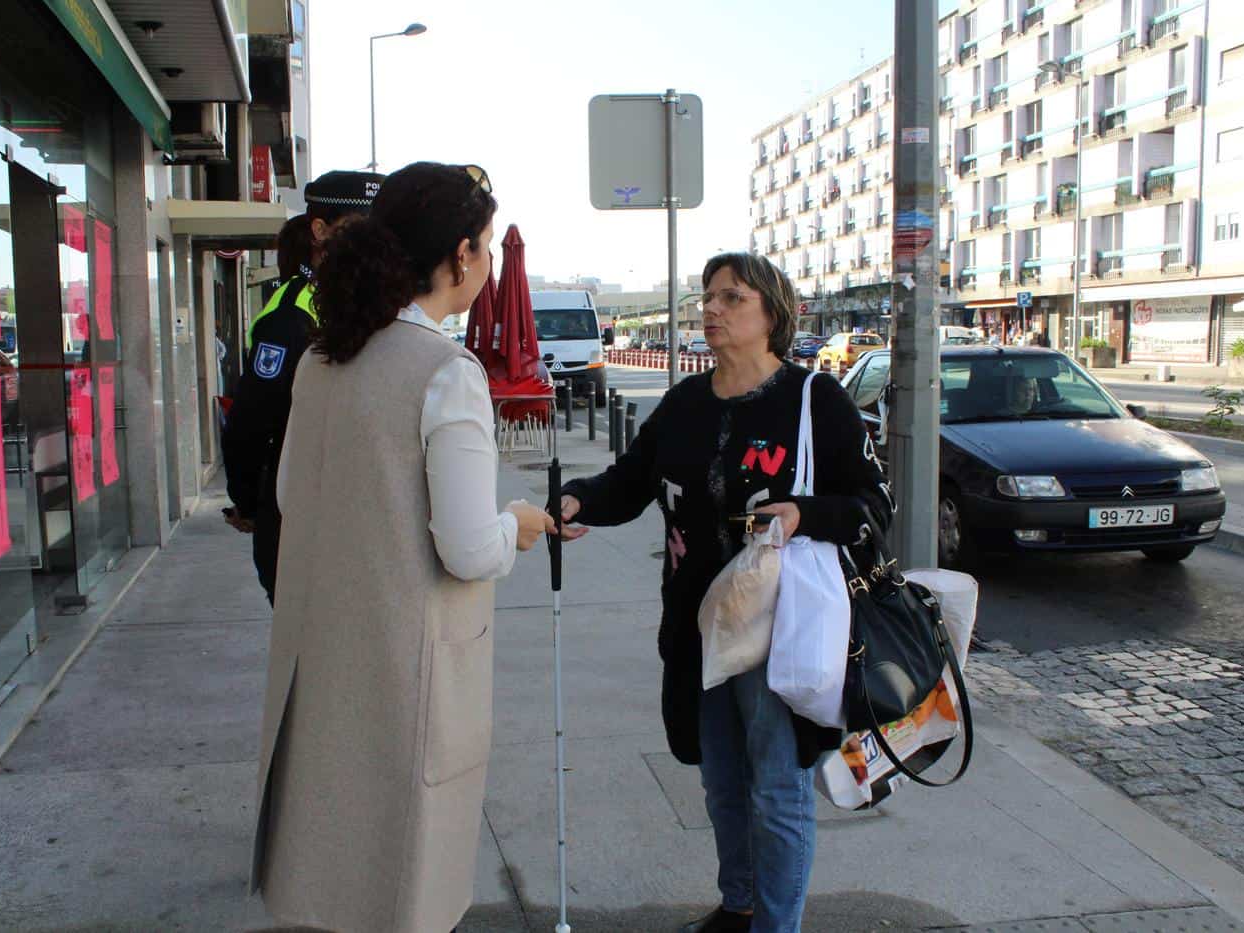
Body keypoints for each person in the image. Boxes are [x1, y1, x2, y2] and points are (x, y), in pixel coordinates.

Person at [249, 162, 557, 933]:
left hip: (328, 655)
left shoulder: (323, 358)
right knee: (405, 884)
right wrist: (516, 524)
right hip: (411, 669)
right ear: (461, 255)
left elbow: (290, 495)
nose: (487, 265)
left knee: (334, 871)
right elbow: (468, 548)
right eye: (486, 245)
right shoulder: (447, 372)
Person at [556, 253, 894, 933]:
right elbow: (630, 480)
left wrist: (806, 513)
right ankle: (738, 905)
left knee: (778, 788)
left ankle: (775, 925)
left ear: (772, 312)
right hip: (700, 628)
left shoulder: (814, 400)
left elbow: (874, 504)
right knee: (721, 784)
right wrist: (575, 500)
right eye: (708, 297)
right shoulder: (685, 403)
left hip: (780, 631)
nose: (711, 309)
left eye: (732, 297)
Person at [221, 170, 384, 603]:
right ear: (320, 230)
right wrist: (248, 503)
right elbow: (251, 422)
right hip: (301, 516)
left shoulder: (367, 304)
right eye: (359, 227)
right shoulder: (292, 314)